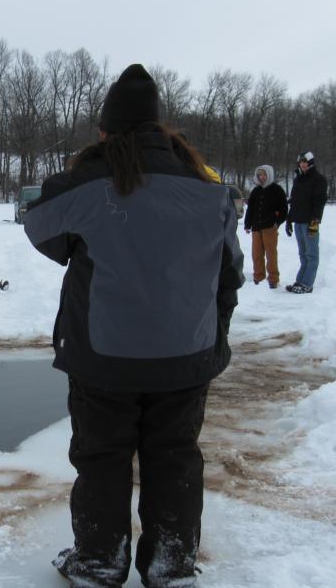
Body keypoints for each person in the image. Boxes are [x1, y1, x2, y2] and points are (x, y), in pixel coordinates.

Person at [24, 64, 244, 588]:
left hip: (105, 357)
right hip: (184, 355)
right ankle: (171, 566)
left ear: (107, 131)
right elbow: (230, 273)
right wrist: (211, 333)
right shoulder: (208, 187)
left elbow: (40, 225)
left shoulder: (90, 182)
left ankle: (100, 562)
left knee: (102, 458)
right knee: (175, 460)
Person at [285, 151, 327, 294]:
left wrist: (315, 221)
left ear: (310, 163)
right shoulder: (298, 179)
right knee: (303, 254)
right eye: (301, 162)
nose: (303, 164)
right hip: (298, 222)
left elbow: (319, 202)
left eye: (305, 162)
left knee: (311, 255)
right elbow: (294, 201)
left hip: (310, 222)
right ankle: (300, 281)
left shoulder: (318, 179)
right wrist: (289, 220)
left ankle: (307, 284)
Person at [244, 165, 288, 288]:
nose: (262, 177)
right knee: (256, 254)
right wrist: (247, 224)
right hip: (256, 228)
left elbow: (284, 210)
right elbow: (250, 209)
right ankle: (258, 277)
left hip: (270, 228)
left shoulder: (277, 190)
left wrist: (277, 222)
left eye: (264, 175)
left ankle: (273, 279)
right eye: (260, 175)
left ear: (269, 175)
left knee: (271, 254)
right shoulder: (255, 191)